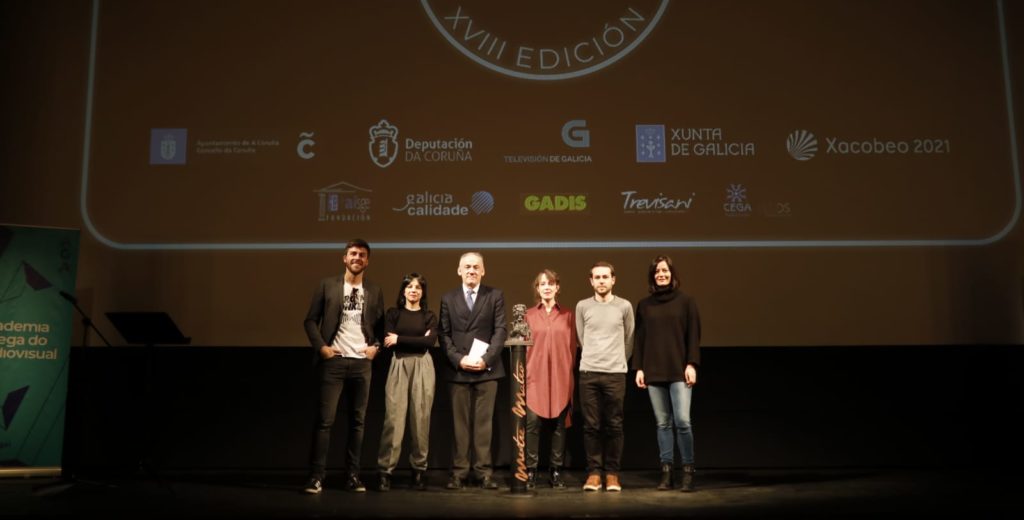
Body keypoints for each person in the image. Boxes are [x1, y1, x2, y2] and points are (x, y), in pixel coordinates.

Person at [302, 238, 384, 494]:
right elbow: (310, 321)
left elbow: (381, 326)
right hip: (334, 362)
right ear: (344, 258)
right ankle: (316, 477)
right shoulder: (327, 285)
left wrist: (376, 347)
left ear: (367, 261)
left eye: (361, 255)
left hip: (362, 364)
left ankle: (353, 476)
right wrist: (322, 348)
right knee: (325, 422)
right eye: (352, 254)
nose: (357, 258)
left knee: (358, 423)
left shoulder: (374, 289)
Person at [439, 252, 507, 490]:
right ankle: (458, 473)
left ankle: (483, 472)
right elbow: (444, 335)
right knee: (460, 425)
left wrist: (486, 359)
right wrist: (459, 360)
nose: (471, 270)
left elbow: (500, 331)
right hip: (458, 371)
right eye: (467, 267)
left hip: (487, 370)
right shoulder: (448, 298)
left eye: (476, 267)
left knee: (484, 425)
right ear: (459, 270)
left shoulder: (495, 295)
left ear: (483, 270)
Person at [633, 255, 701, 492]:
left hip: (679, 370)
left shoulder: (687, 302)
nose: (661, 274)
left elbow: (693, 336)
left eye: (665, 271)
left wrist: (691, 364)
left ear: (672, 274)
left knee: (682, 421)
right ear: (652, 276)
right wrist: (639, 368)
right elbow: (639, 339)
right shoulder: (644, 304)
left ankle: (688, 472)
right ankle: (667, 472)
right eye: (657, 272)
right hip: (653, 370)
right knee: (662, 423)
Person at [575, 261, 634, 492]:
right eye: (597, 277)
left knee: (614, 425)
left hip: (615, 374)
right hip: (588, 372)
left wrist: (619, 361)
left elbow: (629, 339)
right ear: (591, 281)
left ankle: (612, 474)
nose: (601, 281)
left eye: (605, 277)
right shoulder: (582, 306)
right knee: (591, 426)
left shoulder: (624, 306)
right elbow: (581, 337)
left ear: (613, 280)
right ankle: (593, 473)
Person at [376, 273, 438, 492]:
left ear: (422, 292)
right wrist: (414, 340)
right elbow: (387, 341)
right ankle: (385, 471)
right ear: (403, 291)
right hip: (399, 364)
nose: (414, 290)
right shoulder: (393, 314)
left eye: (418, 287)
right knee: (393, 419)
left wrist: (400, 338)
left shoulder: (429, 315)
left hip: (423, 365)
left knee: (421, 419)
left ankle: (419, 470)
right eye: (410, 286)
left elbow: (429, 342)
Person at [523, 269, 577, 489]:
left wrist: (569, 372)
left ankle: (555, 470)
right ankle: (531, 470)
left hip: (561, 376)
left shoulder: (568, 315)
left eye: (551, 283)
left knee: (558, 425)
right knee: (532, 425)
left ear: (557, 287)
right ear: (537, 288)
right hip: (534, 376)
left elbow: (573, 347)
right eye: (542, 284)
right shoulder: (527, 315)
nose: (546, 287)